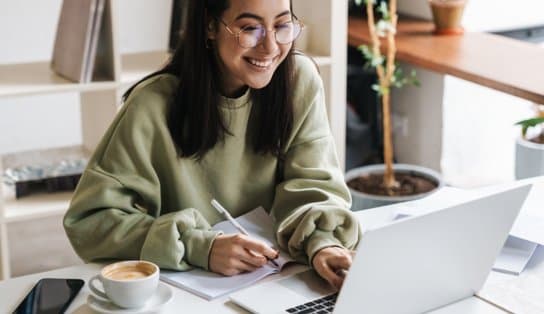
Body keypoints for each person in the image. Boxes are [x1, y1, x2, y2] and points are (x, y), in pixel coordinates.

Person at [63, 0, 360, 290]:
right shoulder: (152, 106)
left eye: (282, 25)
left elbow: (314, 184)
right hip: (187, 293)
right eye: (250, 28)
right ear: (210, 26)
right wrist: (199, 246)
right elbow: (90, 222)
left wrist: (323, 244)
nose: (270, 47)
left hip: (278, 281)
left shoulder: (299, 81)